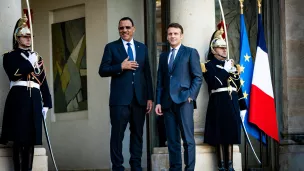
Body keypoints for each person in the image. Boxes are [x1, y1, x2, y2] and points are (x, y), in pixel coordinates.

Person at [98, 17, 153, 171]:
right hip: (119, 100)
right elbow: (102, 70)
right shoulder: (111, 47)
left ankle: (136, 166)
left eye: (127, 27)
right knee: (117, 135)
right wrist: (120, 66)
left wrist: (150, 97)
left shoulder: (142, 48)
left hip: (139, 99)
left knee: (137, 135)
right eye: (121, 28)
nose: (124, 30)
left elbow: (147, 74)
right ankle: (118, 167)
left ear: (133, 29)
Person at [0, 14, 52, 171]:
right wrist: (29, 64)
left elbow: (43, 80)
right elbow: (13, 74)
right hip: (19, 97)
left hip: (34, 98)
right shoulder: (9, 56)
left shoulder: (37, 57)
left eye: (30, 36)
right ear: (18, 38)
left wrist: (47, 104)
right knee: (18, 139)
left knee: (30, 141)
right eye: (25, 36)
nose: (29, 39)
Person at [155, 23, 202, 171]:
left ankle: (189, 169)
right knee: (172, 140)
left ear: (181, 35)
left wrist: (191, 96)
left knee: (188, 140)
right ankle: (175, 168)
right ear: (167, 36)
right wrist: (158, 102)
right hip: (167, 103)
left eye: (175, 33)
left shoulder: (190, 52)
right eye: (170, 34)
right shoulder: (163, 57)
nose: (172, 36)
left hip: (184, 101)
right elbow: (160, 81)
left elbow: (198, 77)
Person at [201, 23, 247, 171]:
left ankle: (230, 166)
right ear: (214, 50)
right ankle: (221, 166)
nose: (224, 50)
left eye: (225, 47)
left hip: (231, 102)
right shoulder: (208, 66)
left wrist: (243, 106)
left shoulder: (232, 66)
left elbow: (238, 87)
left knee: (230, 135)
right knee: (220, 135)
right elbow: (214, 82)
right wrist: (225, 70)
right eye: (221, 48)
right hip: (219, 102)